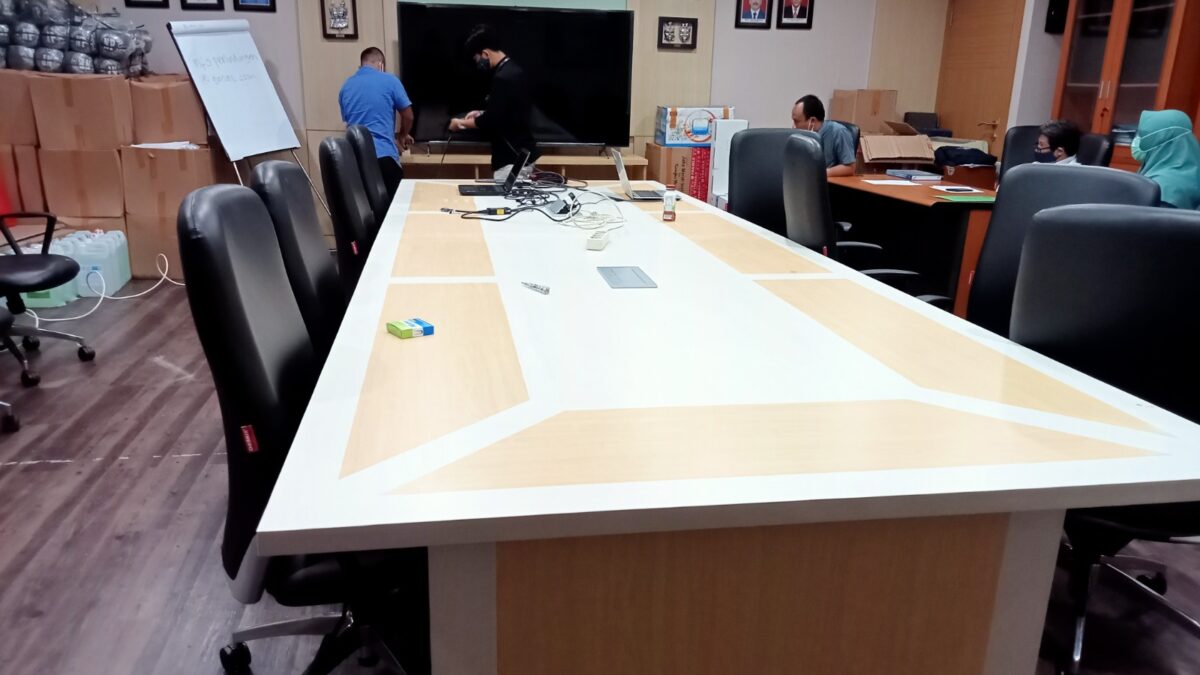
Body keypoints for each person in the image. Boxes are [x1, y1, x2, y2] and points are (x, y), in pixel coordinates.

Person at [448, 25, 539, 181]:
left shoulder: (502, 78)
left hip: (510, 161)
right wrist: (481, 112)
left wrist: (460, 123)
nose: (478, 64)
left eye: (477, 60)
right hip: (523, 155)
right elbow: (509, 112)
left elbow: (490, 121)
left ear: (485, 54)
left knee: (505, 196)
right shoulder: (515, 70)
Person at [338, 47, 414, 198]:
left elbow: (354, 123)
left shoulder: (345, 87)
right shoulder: (390, 80)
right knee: (395, 209)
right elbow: (408, 116)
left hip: (355, 162)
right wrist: (402, 135)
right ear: (381, 64)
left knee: (364, 210)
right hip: (384, 159)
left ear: (361, 64)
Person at [1131, 109, 1200, 210]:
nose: (1136, 139)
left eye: (1142, 135)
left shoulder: (1164, 187)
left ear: (1159, 140)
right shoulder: (1187, 172)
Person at [791, 94, 856, 177]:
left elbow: (850, 168)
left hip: (827, 182)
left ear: (812, 121)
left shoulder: (839, 132)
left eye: (796, 121)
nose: (793, 127)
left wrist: (820, 173)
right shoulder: (803, 136)